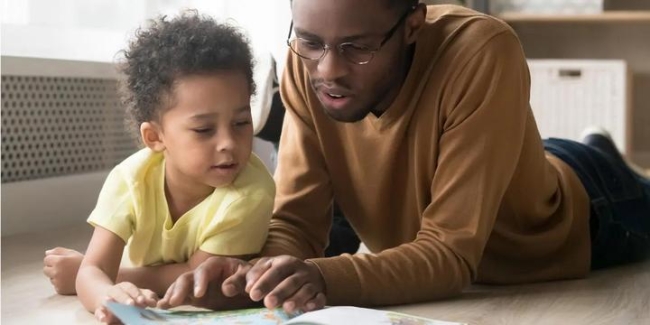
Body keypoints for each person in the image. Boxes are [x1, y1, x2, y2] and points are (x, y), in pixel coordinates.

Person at [158, 0, 650, 314]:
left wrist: (319, 275)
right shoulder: (302, 68)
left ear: (413, 24)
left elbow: (450, 256)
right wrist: (253, 275)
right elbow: (298, 225)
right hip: (480, 168)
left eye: (357, 48)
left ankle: (602, 150)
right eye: (310, 41)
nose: (328, 70)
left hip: (592, 205)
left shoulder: (481, 50)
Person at [41, 11, 275, 323]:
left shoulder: (250, 191)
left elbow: (197, 280)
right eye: (204, 130)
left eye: (241, 123)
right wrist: (106, 297)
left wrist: (112, 276)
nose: (228, 143)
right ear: (155, 137)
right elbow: (93, 272)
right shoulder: (130, 179)